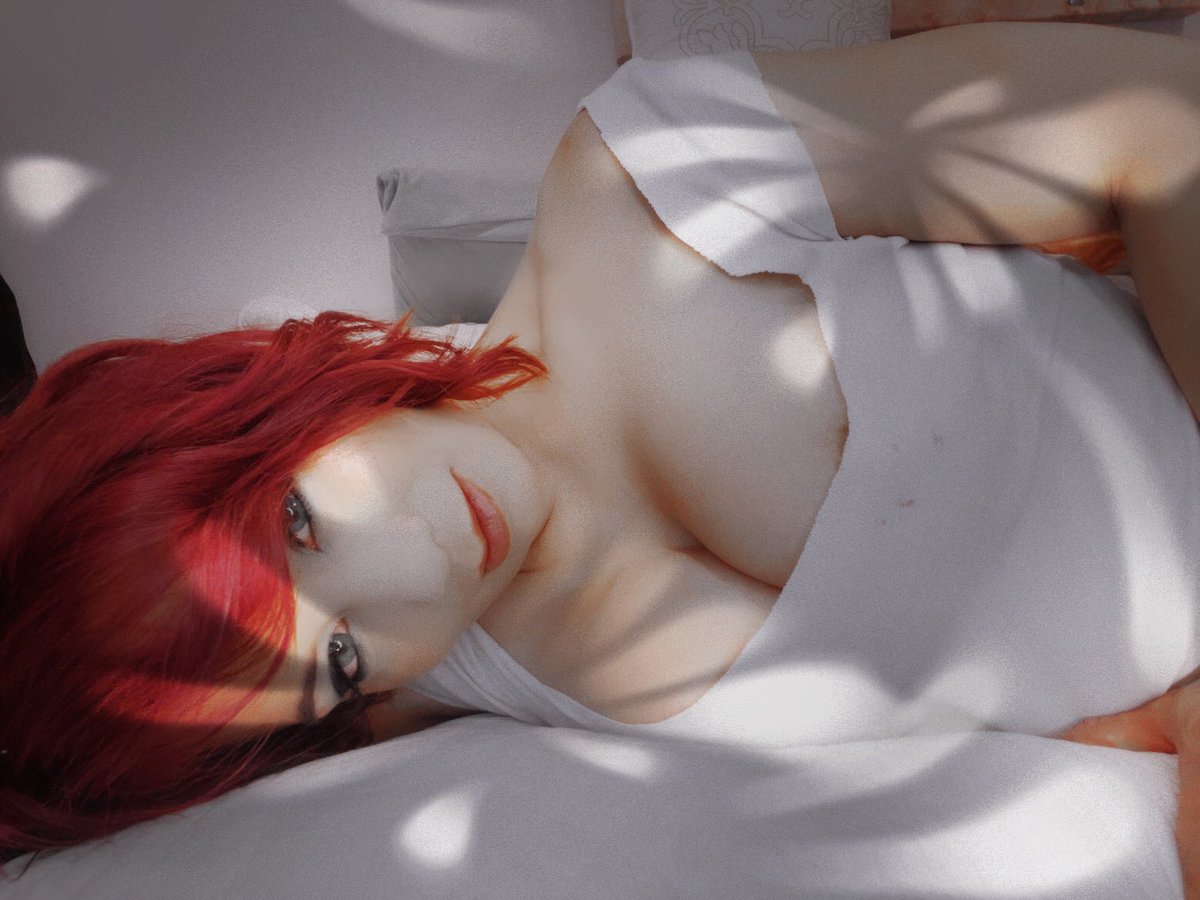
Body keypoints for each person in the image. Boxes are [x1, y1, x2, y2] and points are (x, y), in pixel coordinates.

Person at [1, 18, 1198, 891]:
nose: (421, 569)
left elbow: (1158, 121)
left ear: (260, 403)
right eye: (342, 657)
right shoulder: (450, 681)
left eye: (303, 521)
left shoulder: (639, 184)